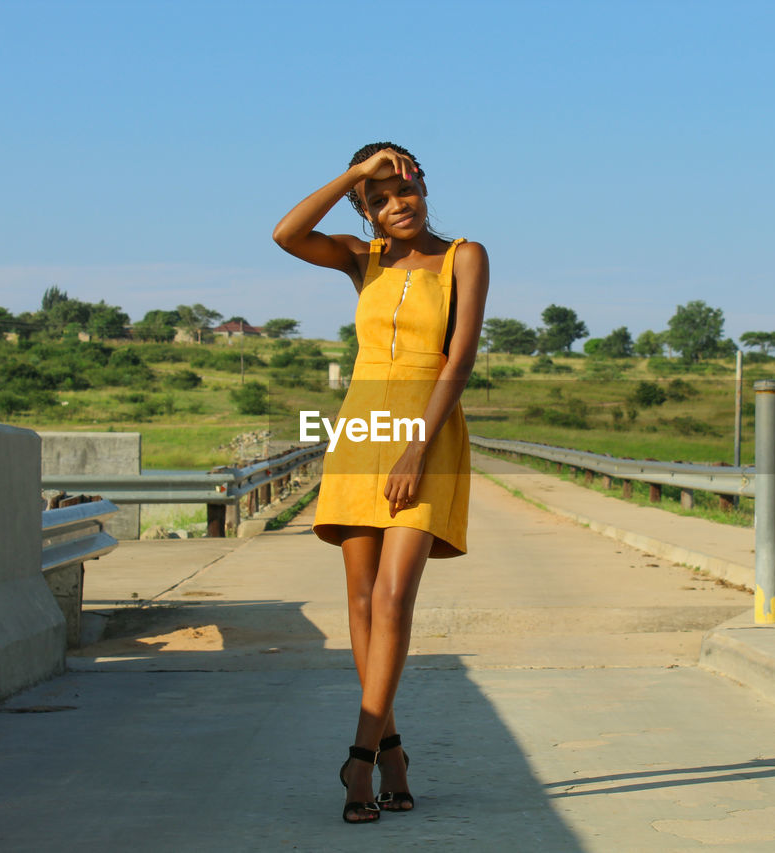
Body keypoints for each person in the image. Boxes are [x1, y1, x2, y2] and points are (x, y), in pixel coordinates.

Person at [272, 143, 489, 824]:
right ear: (364, 206)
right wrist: (353, 176)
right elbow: (285, 234)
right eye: (382, 196)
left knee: (394, 599)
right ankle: (393, 752)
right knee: (363, 605)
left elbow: (461, 356)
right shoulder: (360, 260)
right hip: (360, 436)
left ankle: (358, 758)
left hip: (426, 439)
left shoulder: (464, 256)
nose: (399, 205)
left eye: (406, 189)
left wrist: (416, 450)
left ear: (425, 184)